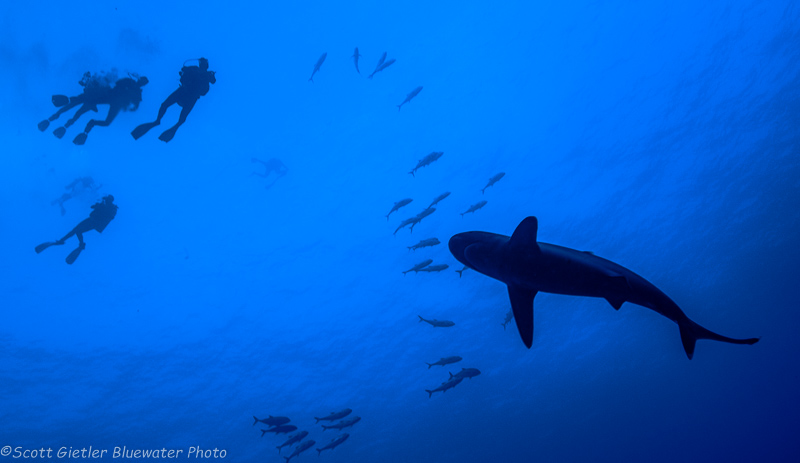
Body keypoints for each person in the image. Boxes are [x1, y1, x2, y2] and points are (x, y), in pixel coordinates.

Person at [131, 58, 216, 143]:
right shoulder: (195, 69)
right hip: (185, 92)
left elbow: (213, 81)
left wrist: (208, 76)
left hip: (189, 95)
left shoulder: (207, 74)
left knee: (179, 115)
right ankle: (158, 121)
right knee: (166, 105)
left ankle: (169, 125)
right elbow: (183, 71)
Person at [35, 195, 118, 265]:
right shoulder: (104, 205)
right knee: (76, 230)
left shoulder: (111, 208)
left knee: (77, 230)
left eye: (107, 199)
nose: (106, 200)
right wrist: (98, 205)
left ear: (110, 200)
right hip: (91, 219)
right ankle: (66, 241)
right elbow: (93, 207)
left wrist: (100, 206)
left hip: (94, 223)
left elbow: (108, 216)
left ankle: (74, 243)